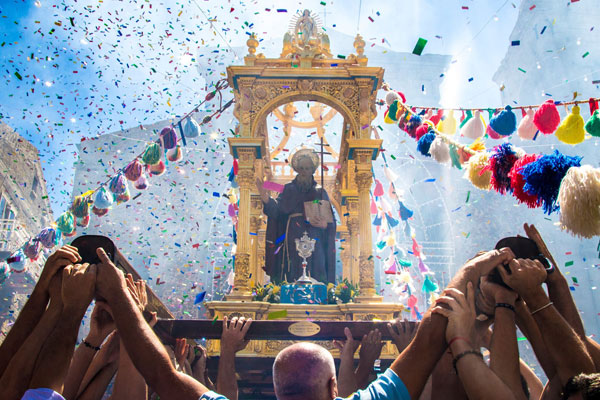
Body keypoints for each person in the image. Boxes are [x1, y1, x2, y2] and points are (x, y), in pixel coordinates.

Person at [256, 148, 336, 284]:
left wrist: (325, 224)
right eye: (302, 168)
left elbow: (331, 222)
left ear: (313, 170)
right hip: (292, 236)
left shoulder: (320, 191)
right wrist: (266, 198)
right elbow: (277, 211)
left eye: (308, 168)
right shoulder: (288, 189)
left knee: (316, 264)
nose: (304, 171)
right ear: (297, 169)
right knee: (292, 265)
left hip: (315, 236)